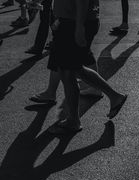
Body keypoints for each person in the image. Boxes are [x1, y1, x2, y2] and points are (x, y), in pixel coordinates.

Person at [44, 0, 127, 134]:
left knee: (67, 71)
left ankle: (73, 121)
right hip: (69, 20)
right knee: (75, 69)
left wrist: (79, 26)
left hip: (73, 22)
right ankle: (115, 97)